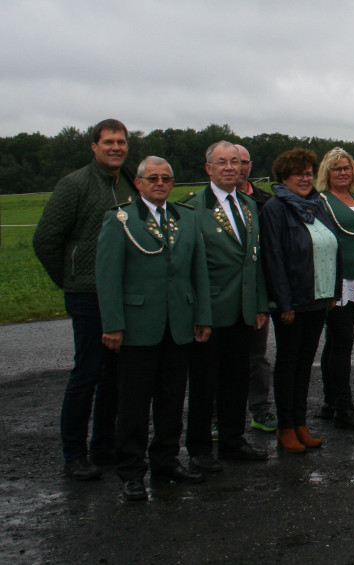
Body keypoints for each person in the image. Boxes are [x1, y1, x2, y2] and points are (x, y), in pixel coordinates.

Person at [96, 156, 212, 500]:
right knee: (133, 403)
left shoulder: (186, 219)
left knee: (171, 399)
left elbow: (198, 272)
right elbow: (108, 277)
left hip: (178, 325)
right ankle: (131, 471)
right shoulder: (121, 220)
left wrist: (202, 316)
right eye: (153, 178)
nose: (160, 183)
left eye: (166, 178)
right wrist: (113, 324)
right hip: (137, 327)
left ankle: (166, 461)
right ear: (139, 183)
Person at [33, 118, 136, 481]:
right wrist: (71, 279)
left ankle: (104, 446)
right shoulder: (74, 184)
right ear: (94, 146)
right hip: (87, 294)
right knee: (87, 374)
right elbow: (46, 239)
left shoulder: (128, 182)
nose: (116, 148)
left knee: (115, 376)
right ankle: (74, 454)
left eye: (121, 142)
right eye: (108, 141)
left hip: (123, 294)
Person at [177, 141, 270, 471]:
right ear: (209, 169)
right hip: (210, 313)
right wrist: (197, 314)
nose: (230, 167)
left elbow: (254, 261)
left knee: (237, 380)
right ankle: (200, 449)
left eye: (235, 162)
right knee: (204, 383)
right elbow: (187, 268)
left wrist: (260, 304)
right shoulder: (191, 209)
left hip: (244, 311)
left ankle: (233, 440)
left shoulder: (247, 204)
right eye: (222, 162)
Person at [260, 148, 342, 453]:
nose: (306, 178)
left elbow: (332, 245)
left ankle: (300, 424)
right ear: (284, 178)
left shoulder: (316, 204)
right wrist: (284, 303)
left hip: (317, 298)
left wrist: (333, 291)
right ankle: (286, 428)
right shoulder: (275, 208)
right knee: (289, 364)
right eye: (299, 174)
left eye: (309, 173)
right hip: (293, 302)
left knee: (306, 364)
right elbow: (274, 258)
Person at [315, 148, 354, 430]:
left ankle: (331, 401)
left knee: (336, 342)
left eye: (346, 168)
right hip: (336, 281)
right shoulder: (321, 202)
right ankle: (344, 407)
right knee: (342, 342)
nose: (342, 172)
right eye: (336, 168)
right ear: (327, 172)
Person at [234, 144, 278, 434]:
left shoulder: (266, 202)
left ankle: (260, 410)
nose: (238, 167)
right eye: (231, 162)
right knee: (220, 359)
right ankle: (216, 416)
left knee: (256, 356)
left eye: (243, 162)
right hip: (221, 293)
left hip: (258, 290)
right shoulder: (201, 204)